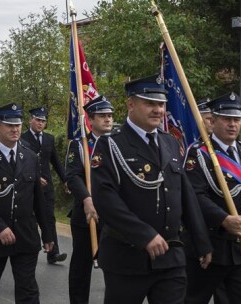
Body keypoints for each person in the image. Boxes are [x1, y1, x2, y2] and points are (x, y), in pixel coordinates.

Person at [91, 75, 212, 303]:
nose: (158, 109)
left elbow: (184, 195)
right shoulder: (110, 144)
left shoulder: (169, 141)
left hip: (170, 256)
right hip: (127, 257)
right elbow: (105, 199)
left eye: (161, 104)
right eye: (150, 103)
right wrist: (144, 235)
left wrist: (201, 241)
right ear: (131, 105)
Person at [0, 103, 54, 304]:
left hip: (25, 235)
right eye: (9, 125)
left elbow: (38, 200)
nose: (15, 130)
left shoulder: (30, 157)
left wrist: (47, 233)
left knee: (28, 290)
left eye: (18, 125)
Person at [183, 92, 241, 304]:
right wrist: (224, 219)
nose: (232, 125)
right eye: (226, 119)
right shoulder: (198, 154)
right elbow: (195, 196)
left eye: (236, 120)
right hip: (211, 245)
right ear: (213, 121)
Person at [66, 95, 114, 304]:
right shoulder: (80, 145)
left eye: (110, 115)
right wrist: (86, 199)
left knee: (116, 268)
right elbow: (72, 176)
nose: (108, 120)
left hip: (114, 217)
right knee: (81, 267)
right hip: (87, 216)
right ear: (91, 119)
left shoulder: (119, 143)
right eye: (102, 116)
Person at [21, 106, 68, 264]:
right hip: (29, 187)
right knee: (28, 219)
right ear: (31, 120)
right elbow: (19, 164)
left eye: (43, 121)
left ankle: (53, 253)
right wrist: (35, 177)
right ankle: (25, 250)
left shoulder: (49, 139)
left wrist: (65, 180)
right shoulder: (22, 138)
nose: (41, 123)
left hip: (46, 187)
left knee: (49, 218)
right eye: (38, 120)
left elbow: (55, 161)